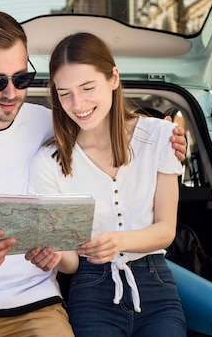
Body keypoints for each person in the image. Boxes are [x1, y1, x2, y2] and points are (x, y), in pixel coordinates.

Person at [0, 12, 187, 337]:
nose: (12, 93)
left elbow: (107, 124)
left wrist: (175, 139)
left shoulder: (53, 124)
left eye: (21, 78)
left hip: (36, 304)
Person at [26, 32, 186, 336]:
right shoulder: (48, 162)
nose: (78, 103)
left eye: (88, 88)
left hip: (157, 285)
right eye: (65, 93)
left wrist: (118, 241)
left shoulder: (160, 137)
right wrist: (55, 256)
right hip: (91, 289)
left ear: (113, 77)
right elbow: (72, 261)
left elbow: (166, 231)